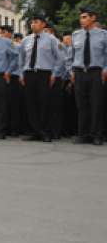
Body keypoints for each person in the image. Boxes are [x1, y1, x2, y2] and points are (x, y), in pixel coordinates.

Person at [19, 14, 62, 142]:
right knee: (31, 103)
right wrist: (21, 74)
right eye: (32, 22)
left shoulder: (51, 39)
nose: (33, 24)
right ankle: (35, 131)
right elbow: (21, 59)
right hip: (29, 74)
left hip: (44, 74)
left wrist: (54, 74)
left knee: (44, 103)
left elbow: (59, 58)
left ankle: (45, 132)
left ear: (43, 24)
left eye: (36, 22)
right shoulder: (26, 40)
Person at [68, 8, 107, 145]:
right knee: (81, 105)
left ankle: (96, 135)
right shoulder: (76, 35)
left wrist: (105, 70)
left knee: (96, 105)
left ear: (93, 18)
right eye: (81, 17)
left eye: (84, 17)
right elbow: (71, 56)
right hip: (79, 73)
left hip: (96, 72)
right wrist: (71, 71)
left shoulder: (103, 35)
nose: (81, 20)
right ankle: (83, 135)